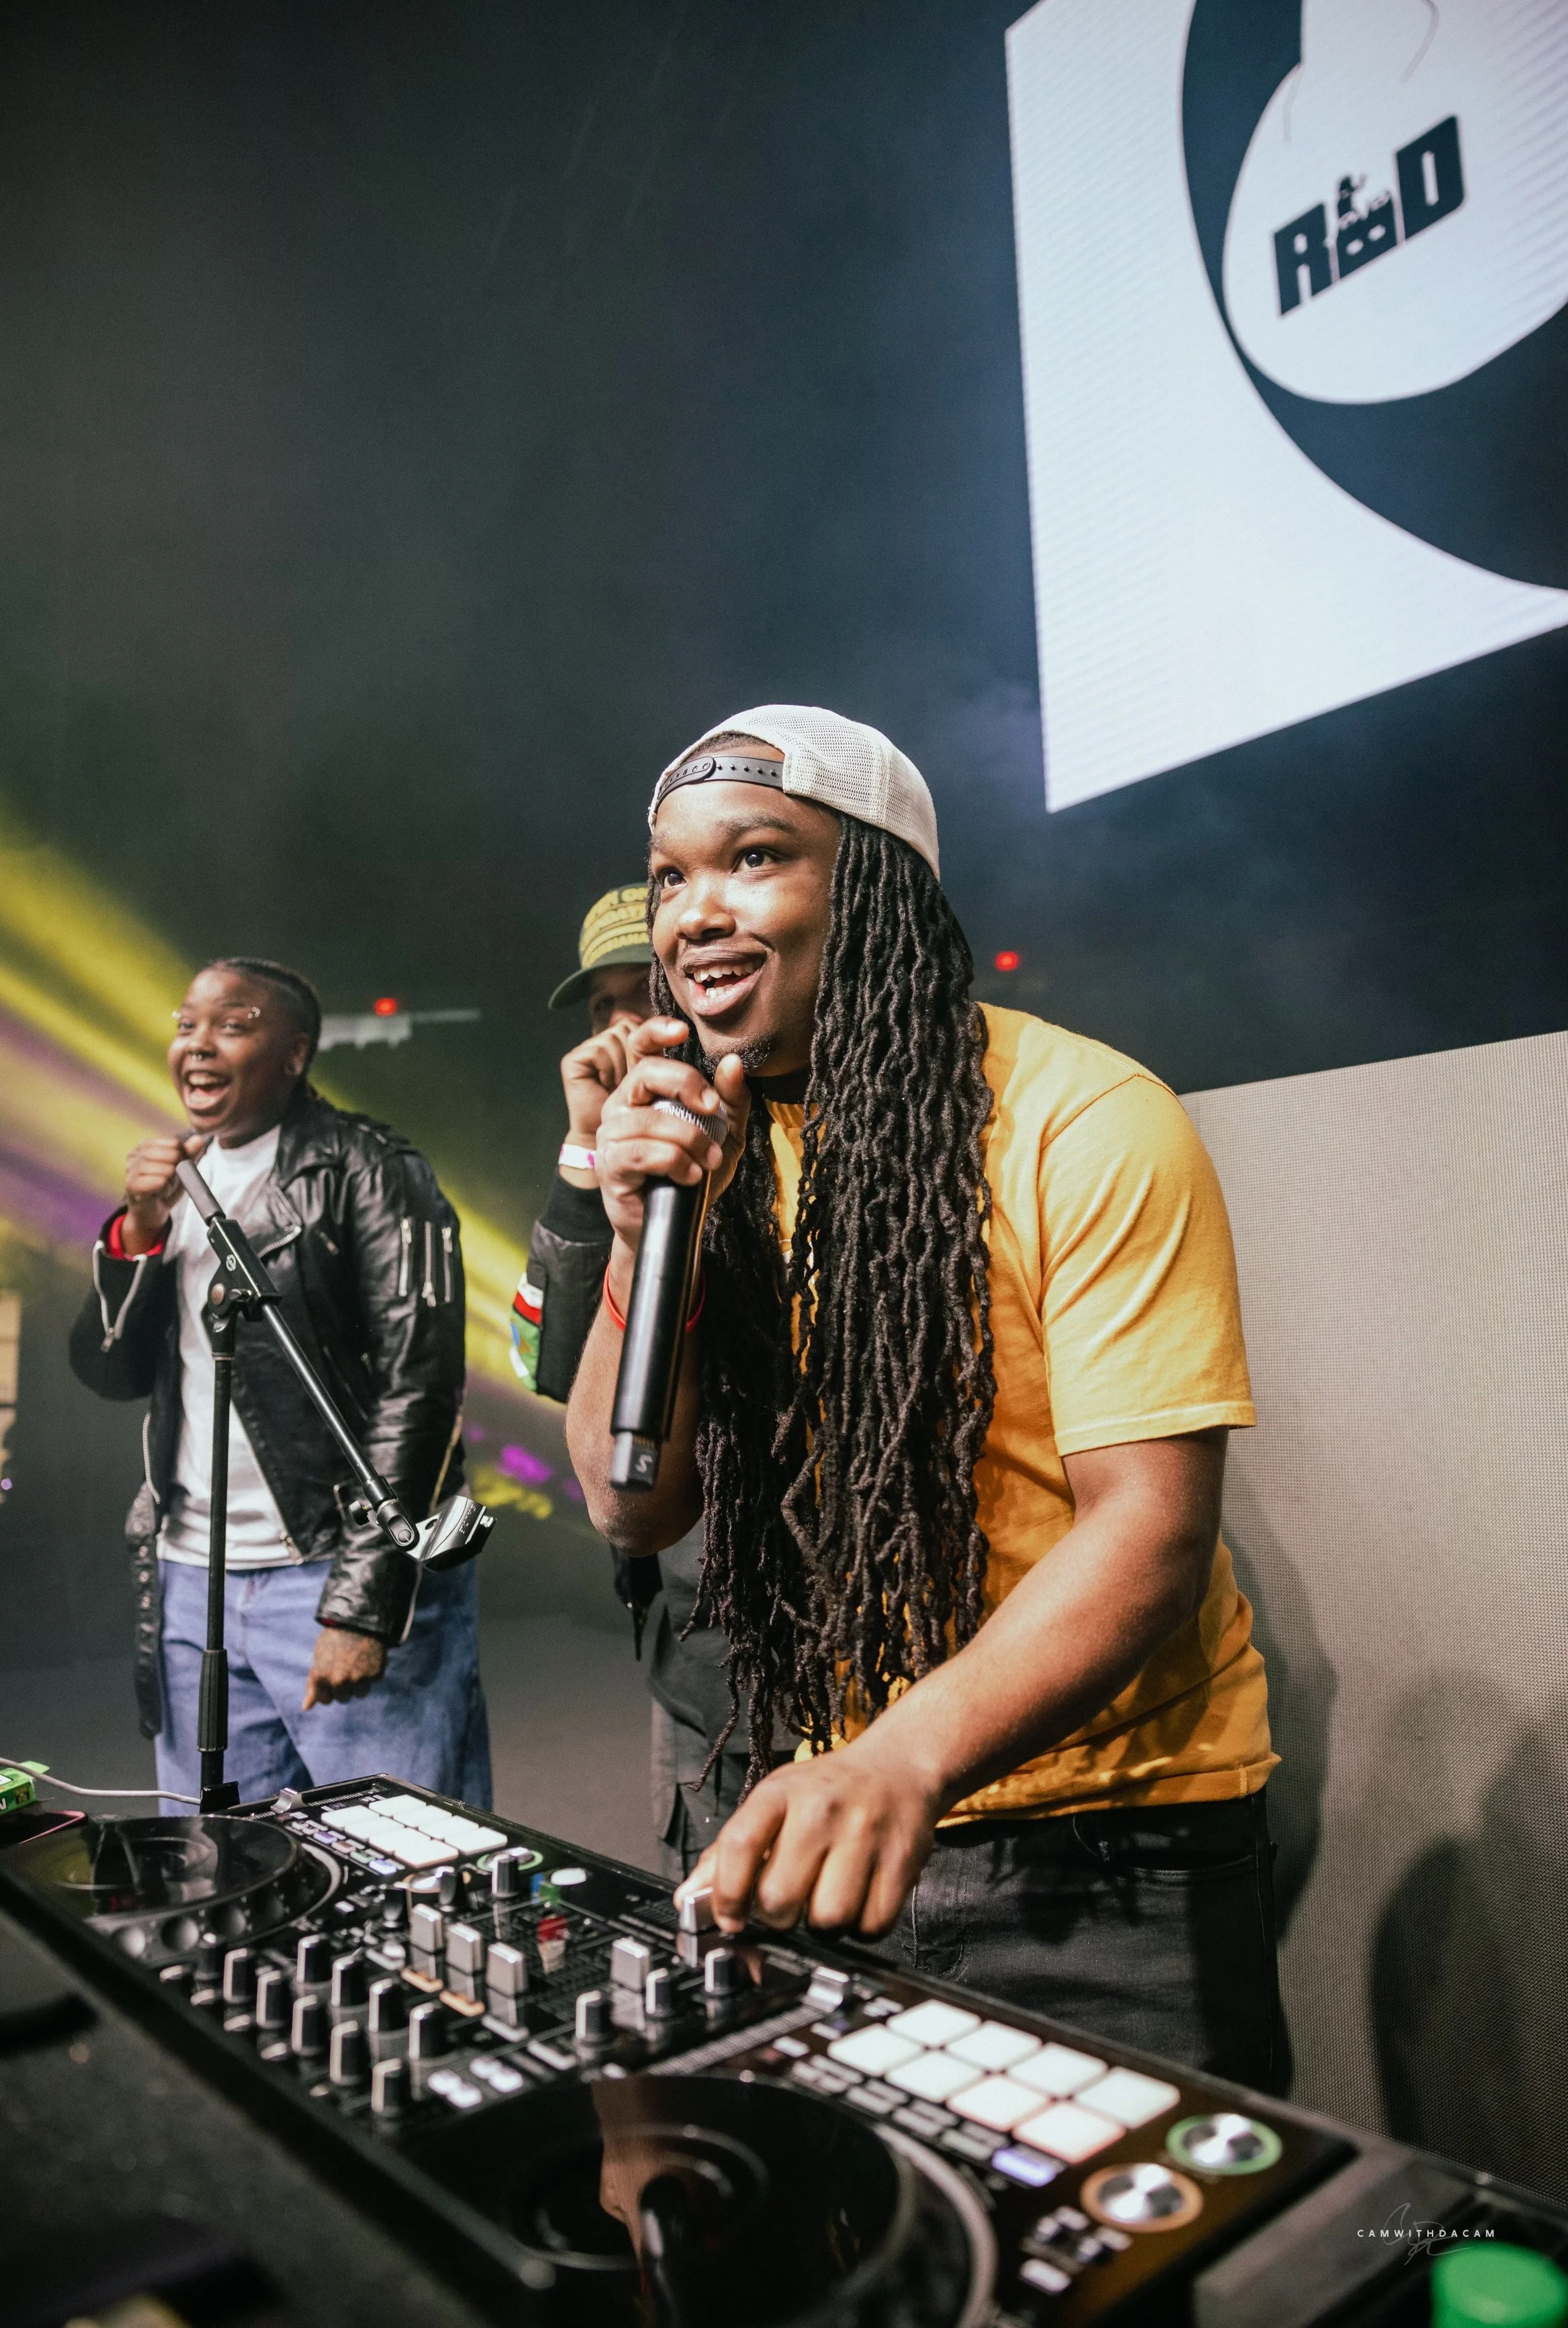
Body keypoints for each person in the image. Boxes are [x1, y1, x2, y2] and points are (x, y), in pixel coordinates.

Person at [564, 705, 1285, 2090]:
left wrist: (898, 1757)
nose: (693, 912)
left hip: (1095, 1852)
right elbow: (629, 1501)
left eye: (755, 856)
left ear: (875, 882)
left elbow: (1147, 1528)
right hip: (829, 1811)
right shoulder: (696, 1143)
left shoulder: (1085, 1117)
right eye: (669, 874)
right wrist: (634, 1233)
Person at [69, 957, 490, 1810]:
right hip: (193, 1582)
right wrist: (138, 1231)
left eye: (233, 1023)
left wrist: (362, 1606)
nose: (198, 1045)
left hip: (330, 1570)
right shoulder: (174, 1188)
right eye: (187, 1024)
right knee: (217, 1873)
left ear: (295, 1053)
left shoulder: (368, 1169)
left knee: (403, 1865)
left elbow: (422, 1385)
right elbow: (110, 1372)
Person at [515, 884, 765, 1876]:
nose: (621, 1029)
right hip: (691, 1644)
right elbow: (550, 1365)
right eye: (600, 1006)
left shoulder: (761, 1129)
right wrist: (586, 1149)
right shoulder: (611, 1151)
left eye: (641, 993)